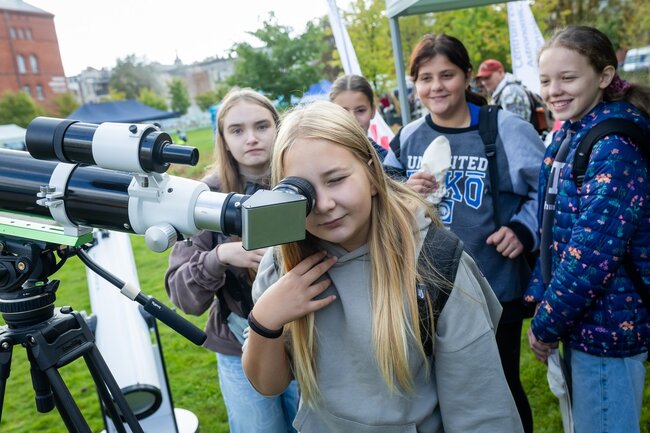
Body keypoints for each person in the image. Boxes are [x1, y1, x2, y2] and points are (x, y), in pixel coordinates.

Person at [242, 100, 524, 433]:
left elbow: (480, 409)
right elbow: (269, 384)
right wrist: (265, 319)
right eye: (302, 190)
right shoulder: (283, 263)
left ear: (373, 175)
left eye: (336, 179)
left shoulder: (436, 263)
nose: (324, 204)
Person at [383, 34, 544, 433]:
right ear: (414, 84)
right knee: (440, 392)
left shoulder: (503, 128)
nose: (436, 87)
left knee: (500, 388)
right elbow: (381, 200)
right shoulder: (408, 137)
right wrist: (403, 191)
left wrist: (523, 229)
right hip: (426, 289)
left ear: (467, 76)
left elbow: (547, 192)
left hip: (494, 285)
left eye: (447, 75)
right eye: (425, 78)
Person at [525, 25, 650, 433]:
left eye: (568, 78)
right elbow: (554, 230)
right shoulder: (573, 131)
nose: (554, 91)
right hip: (582, 320)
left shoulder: (613, 146)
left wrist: (546, 323)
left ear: (605, 76)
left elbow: (592, 254)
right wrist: (540, 296)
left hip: (607, 329)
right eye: (546, 80)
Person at [165, 88, 299, 433]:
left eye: (262, 126)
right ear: (223, 139)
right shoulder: (202, 198)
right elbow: (182, 296)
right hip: (238, 346)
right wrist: (221, 255)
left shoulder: (303, 183)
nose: (251, 138)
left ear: (278, 127)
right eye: (237, 130)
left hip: (306, 342)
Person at [329, 74, 387, 161]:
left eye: (360, 110)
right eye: (343, 111)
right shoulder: (318, 156)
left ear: (373, 111)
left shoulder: (387, 162)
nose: (353, 119)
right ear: (331, 113)